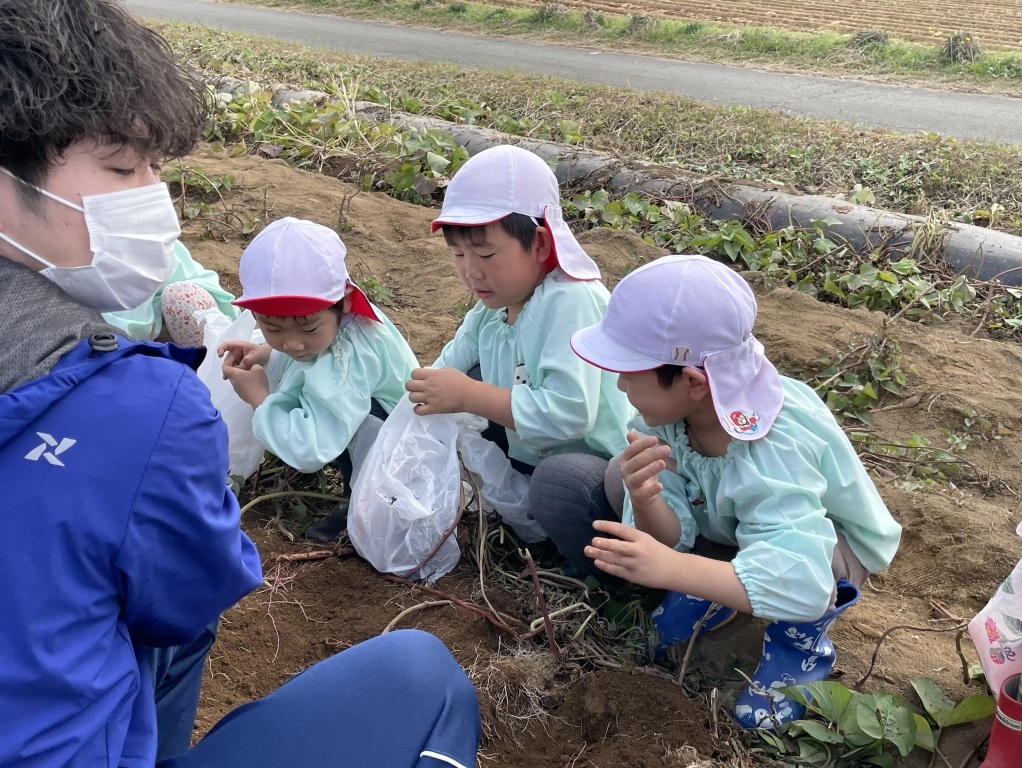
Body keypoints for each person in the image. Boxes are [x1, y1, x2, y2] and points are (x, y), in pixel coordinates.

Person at [0, 2, 481, 766]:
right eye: (123, 170)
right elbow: (196, 588)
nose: (152, 197)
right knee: (422, 676)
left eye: (156, 169)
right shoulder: (144, 407)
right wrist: (261, 399)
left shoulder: (332, 353)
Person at [555, 254, 902, 729]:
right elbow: (671, 533)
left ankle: (797, 645)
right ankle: (716, 587)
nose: (619, 383)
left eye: (630, 373)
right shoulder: (671, 415)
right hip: (735, 526)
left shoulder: (771, 450)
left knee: (818, 568)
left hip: (820, 546)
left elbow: (802, 579)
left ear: (693, 382)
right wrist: (648, 499)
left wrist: (673, 569)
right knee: (624, 474)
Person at [405, 145, 635, 541]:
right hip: (531, 451)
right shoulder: (494, 306)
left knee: (557, 482)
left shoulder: (571, 300)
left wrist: (468, 395)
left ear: (541, 244)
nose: (470, 272)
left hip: (594, 473)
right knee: (463, 382)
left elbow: (569, 415)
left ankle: (587, 565)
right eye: (458, 254)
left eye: (486, 254)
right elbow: (446, 369)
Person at [219, 217, 419, 541]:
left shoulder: (347, 358)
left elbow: (310, 450)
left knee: (349, 417)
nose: (292, 344)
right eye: (272, 328)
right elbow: (303, 350)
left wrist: (258, 398)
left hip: (402, 456)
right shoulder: (337, 324)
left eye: (308, 328)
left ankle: (366, 508)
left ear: (343, 303)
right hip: (385, 430)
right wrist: (267, 353)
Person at [104, 240, 239, 346]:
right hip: (145, 332)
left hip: (183, 320)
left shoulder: (147, 242)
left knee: (180, 297)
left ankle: (202, 364)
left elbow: (133, 318)